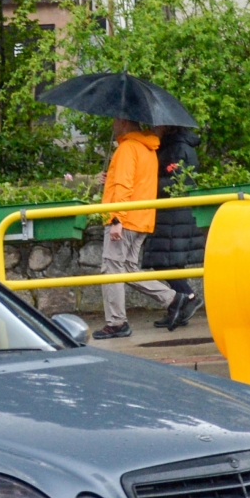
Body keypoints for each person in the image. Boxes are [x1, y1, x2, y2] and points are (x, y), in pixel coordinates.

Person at [94, 118, 176, 339]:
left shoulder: (127, 148)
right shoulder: (147, 147)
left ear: (123, 122)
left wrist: (115, 220)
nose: (111, 123)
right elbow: (135, 181)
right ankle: (173, 299)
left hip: (125, 220)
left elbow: (124, 185)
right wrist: (107, 178)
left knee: (111, 270)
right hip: (141, 218)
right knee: (128, 269)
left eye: (114, 120)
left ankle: (116, 322)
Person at [144, 126, 204, 333]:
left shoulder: (177, 148)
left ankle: (189, 297)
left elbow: (178, 181)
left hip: (174, 212)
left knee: (163, 261)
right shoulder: (174, 146)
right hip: (174, 212)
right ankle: (178, 309)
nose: (152, 129)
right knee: (171, 261)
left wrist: (147, 183)